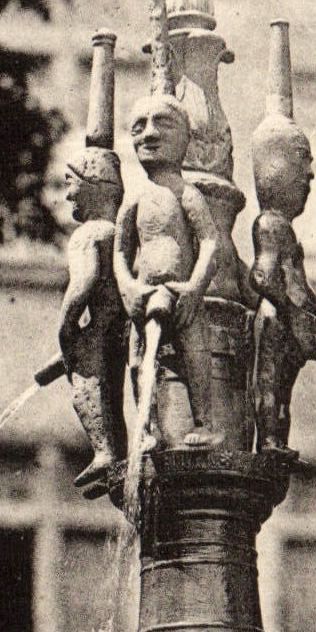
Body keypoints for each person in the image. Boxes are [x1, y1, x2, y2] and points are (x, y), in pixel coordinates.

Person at [113, 92, 222, 446]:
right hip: (145, 294)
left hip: (182, 294)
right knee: (138, 361)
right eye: (139, 126)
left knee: (196, 356)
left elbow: (210, 242)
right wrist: (127, 287)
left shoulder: (186, 193)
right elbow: (120, 249)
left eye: (163, 123)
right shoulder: (135, 197)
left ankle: (204, 424)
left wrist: (194, 288)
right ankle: (147, 430)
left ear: (185, 138)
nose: (149, 133)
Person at [250, 110, 316, 454]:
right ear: (277, 169)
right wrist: (293, 314)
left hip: (293, 324)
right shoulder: (271, 225)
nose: (310, 174)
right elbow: (262, 276)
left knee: (282, 393)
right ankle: (269, 441)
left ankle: (276, 442)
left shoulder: (284, 229)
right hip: (279, 320)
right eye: (302, 163)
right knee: (271, 386)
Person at [55, 146, 128, 492]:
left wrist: (66, 325)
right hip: (123, 324)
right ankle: (119, 468)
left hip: (98, 326)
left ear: (92, 186)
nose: (67, 194)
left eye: (71, 183)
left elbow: (83, 282)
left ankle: (103, 454)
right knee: (114, 395)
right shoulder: (118, 232)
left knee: (86, 386)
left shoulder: (87, 235)